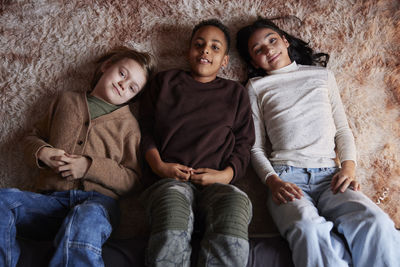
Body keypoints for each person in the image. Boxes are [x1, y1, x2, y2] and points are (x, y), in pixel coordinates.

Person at [236, 17, 400, 267]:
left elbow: (342, 130)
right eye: (258, 49)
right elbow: (255, 147)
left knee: (376, 222)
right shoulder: (256, 87)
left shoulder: (322, 76)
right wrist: (273, 181)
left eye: (272, 40)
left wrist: (348, 167)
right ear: (251, 60)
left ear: (285, 41)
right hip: (287, 178)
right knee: (308, 228)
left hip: (330, 177)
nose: (268, 49)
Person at [0, 46, 154, 267]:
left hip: (97, 206)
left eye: (132, 87)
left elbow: (133, 179)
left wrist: (89, 167)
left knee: (85, 220)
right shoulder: (65, 101)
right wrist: (43, 152)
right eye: (122, 73)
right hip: (49, 203)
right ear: (106, 66)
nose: (123, 85)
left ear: (134, 97)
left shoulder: (129, 128)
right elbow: (30, 138)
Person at [139, 19, 255, 267]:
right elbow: (144, 130)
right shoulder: (164, 82)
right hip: (168, 180)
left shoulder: (235, 94)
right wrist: (159, 166)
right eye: (199, 45)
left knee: (235, 203)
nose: (205, 51)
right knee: (173, 208)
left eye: (215, 48)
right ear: (188, 51)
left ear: (224, 60)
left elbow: (245, 143)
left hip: (216, 184)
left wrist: (225, 175)